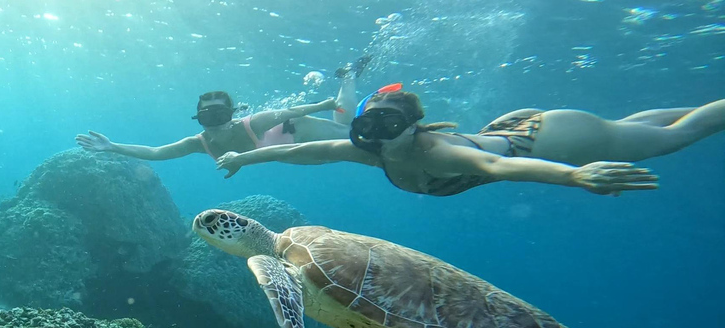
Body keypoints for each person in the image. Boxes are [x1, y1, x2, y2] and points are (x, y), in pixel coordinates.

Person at [216, 85, 725, 196]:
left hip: (550, 138)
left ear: (413, 127)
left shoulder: (435, 151)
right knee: (633, 127)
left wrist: (576, 174)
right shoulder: (368, 151)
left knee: (676, 138)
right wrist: (244, 156)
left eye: (390, 126)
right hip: (512, 128)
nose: (375, 136)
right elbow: (301, 150)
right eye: (368, 125)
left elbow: (500, 170)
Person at [74, 57, 372, 161]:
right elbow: (156, 153)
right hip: (285, 152)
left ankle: (348, 78)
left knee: (351, 136)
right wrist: (112, 147)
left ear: (232, 114)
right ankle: (347, 83)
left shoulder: (253, 123)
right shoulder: (200, 143)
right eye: (207, 117)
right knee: (345, 149)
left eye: (221, 115)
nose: (215, 123)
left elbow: (287, 113)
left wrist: (323, 104)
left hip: (296, 129)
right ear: (199, 119)